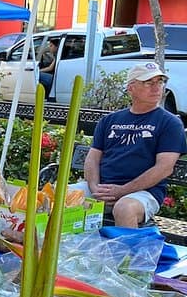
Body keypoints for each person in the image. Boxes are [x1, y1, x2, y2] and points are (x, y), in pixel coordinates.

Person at [79, 62, 187, 228]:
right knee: (63, 196)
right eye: (148, 82)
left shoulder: (170, 123)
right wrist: (94, 188)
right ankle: (62, 251)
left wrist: (123, 190)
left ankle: (128, 254)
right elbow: (92, 158)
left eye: (159, 82)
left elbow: (164, 168)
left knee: (125, 208)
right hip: (103, 188)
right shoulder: (109, 120)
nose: (156, 88)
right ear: (131, 88)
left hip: (143, 192)